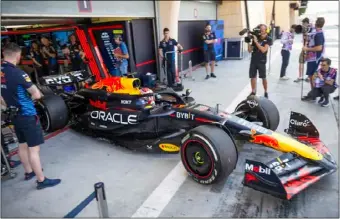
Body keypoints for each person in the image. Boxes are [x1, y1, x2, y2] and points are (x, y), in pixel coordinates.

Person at [1, 42, 61, 189]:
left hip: (13, 115)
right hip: (27, 115)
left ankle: (29, 172)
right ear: (17, 55)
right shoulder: (19, 73)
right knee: (34, 149)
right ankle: (41, 180)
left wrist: (8, 105)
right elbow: (37, 94)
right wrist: (29, 100)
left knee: (22, 145)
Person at [248, 24, 273, 98]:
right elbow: (250, 50)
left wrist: (256, 42)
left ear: (266, 30)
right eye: (260, 30)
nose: (261, 31)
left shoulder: (269, 39)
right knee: (252, 77)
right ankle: (253, 91)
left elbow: (263, 50)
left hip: (262, 60)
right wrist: (249, 42)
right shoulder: (256, 37)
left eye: (263, 30)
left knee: (263, 77)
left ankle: (265, 91)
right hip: (253, 60)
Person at [302, 17, 325, 90]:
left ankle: (315, 93)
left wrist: (307, 49)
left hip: (315, 58)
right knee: (311, 75)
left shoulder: (319, 34)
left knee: (312, 76)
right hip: (311, 58)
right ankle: (313, 93)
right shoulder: (316, 32)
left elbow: (319, 48)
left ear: (316, 23)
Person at [294, 17, 314, 83]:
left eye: (304, 23)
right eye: (303, 24)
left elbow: (309, 39)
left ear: (307, 23)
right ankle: (300, 77)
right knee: (301, 61)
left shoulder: (312, 29)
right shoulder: (304, 30)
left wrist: (307, 35)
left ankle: (309, 77)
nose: (303, 25)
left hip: (310, 49)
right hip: (305, 47)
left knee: (310, 63)